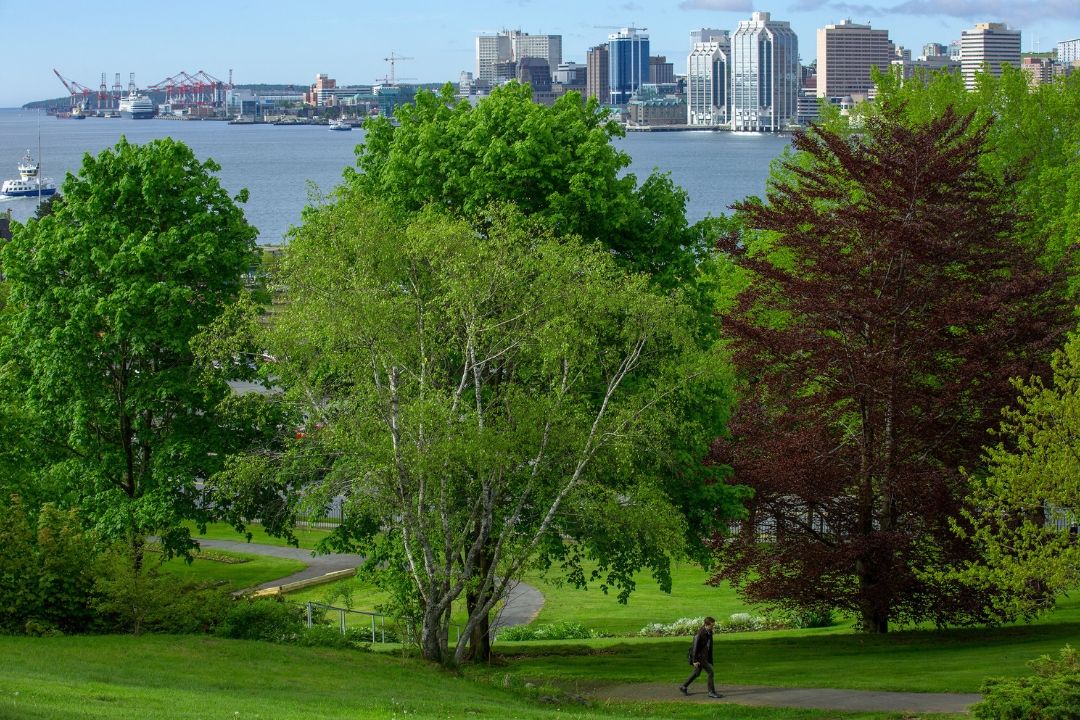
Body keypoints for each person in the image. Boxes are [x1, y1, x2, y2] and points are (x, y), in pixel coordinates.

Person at [679, 616, 722, 698]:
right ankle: (711, 692)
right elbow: (694, 648)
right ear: (706, 625)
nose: (713, 627)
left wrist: (709, 658)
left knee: (696, 673)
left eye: (713, 625)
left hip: (704, 656)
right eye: (712, 626)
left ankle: (683, 687)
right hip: (699, 657)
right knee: (710, 672)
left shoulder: (709, 632)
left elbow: (709, 646)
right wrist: (694, 660)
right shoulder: (700, 634)